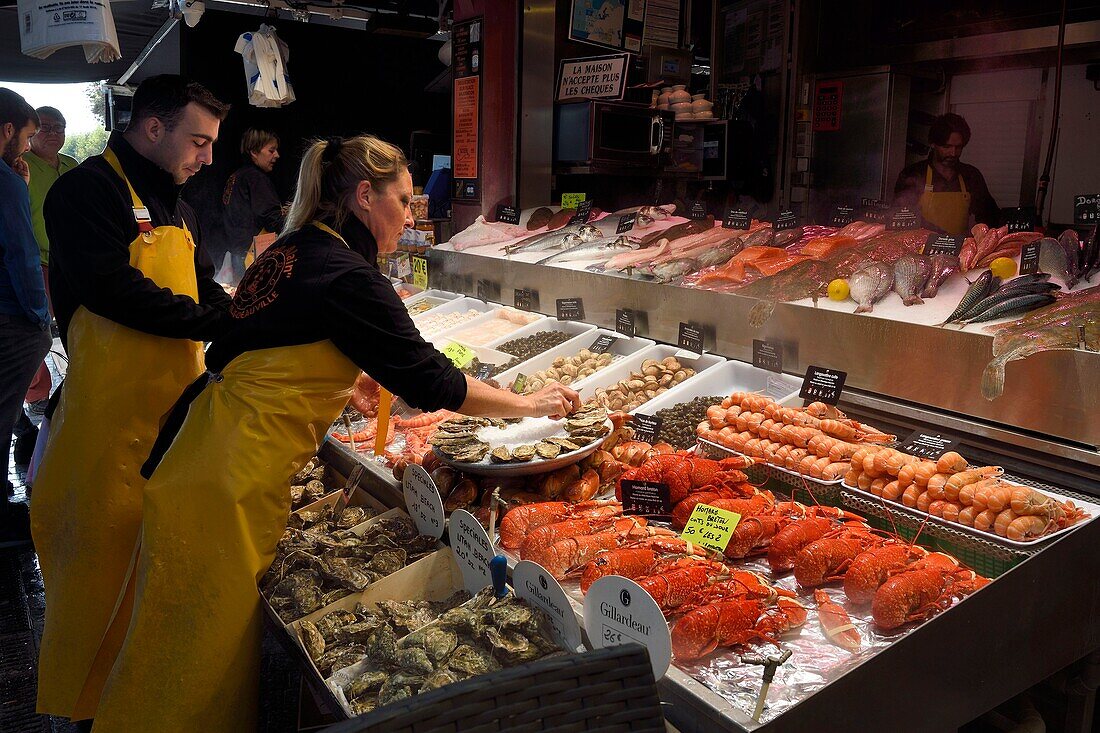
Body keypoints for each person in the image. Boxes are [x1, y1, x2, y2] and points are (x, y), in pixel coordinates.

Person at [90, 135, 581, 732]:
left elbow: (257, 342)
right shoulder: (349, 272)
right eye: (403, 200)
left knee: (173, 644)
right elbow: (432, 381)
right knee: (191, 667)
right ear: (364, 196)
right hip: (227, 478)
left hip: (204, 453)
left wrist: (342, 379)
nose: (410, 213)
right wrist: (527, 403)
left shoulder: (293, 248)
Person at [31, 75, 232, 725]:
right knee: (93, 595)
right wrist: (218, 324)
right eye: (198, 141)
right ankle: (84, 717)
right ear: (153, 127)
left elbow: (207, 291)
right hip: (101, 435)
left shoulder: (180, 206)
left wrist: (257, 320)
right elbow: (114, 289)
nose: (206, 158)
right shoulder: (84, 192)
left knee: (158, 593)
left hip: (172, 429)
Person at [12, 106, 78, 464]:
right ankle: (35, 396)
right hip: (35, 261)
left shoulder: (72, 166)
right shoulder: (19, 168)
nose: (54, 133)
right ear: (30, 134)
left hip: (71, 259)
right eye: (46, 127)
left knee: (71, 325)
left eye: (61, 127)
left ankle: (72, 386)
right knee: (35, 330)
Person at [0, 89, 50, 518]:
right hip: (10, 315)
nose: (29, 147)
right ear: (8, 130)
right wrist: (40, 318)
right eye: (28, 136)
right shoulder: (6, 183)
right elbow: (21, 252)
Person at [893, 112, 1001, 235]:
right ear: (933, 143)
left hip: (960, 249)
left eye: (958, 147)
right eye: (947, 147)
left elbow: (990, 216)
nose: (953, 153)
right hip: (919, 249)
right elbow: (900, 218)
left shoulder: (971, 175)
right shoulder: (913, 174)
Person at [220, 127, 284, 281]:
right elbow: (272, 219)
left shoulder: (236, 176)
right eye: (271, 150)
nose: (277, 155)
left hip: (236, 257)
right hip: (253, 258)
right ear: (254, 152)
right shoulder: (255, 178)